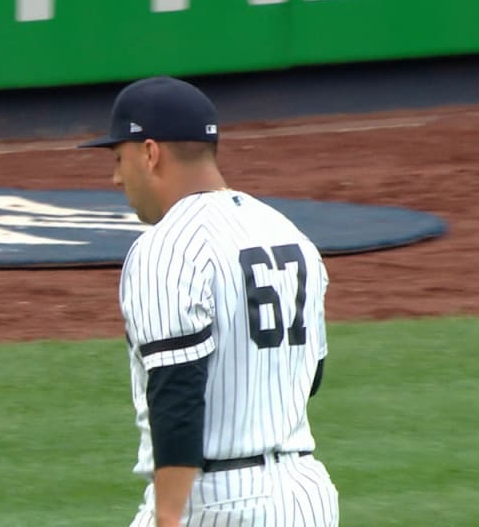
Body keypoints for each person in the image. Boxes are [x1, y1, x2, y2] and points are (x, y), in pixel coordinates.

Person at [79, 76, 339, 527]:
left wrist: (167, 517)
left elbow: (177, 392)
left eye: (119, 158)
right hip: (307, 496)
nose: (116, 177)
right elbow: (310, 375)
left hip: (217, 504)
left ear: (150, 152)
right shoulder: (287, 232)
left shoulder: (166, 246)